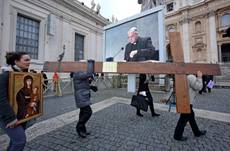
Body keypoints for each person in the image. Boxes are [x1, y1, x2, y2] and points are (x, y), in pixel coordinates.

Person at [124, 27, 160, 117]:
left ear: (136, 34)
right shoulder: (128, 46)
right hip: (134, 74)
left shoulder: (145, 40)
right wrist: (129, 58)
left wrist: (137, 52)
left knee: (143, 92)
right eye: (129, 37)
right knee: (143, 92)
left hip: (145, 73)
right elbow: (126, 59)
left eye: (131, 36)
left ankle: (143, 111)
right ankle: (149, 112)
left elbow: (152, 51)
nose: (130, 39)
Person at [0, 51, 31, 151]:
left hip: (20, 114)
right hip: (8, 116)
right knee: (20, 141)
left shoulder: (24, 74)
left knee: (14, 140)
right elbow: (1, 99)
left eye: (29, 60)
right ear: (16, 61)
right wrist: (11, 118)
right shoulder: (5, 75)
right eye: (26, 60)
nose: (29, 62)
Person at [174, 71, 207, 141]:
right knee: (183, 119)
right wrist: (199, 77)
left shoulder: (185, 76)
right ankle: (177, 135)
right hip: (187, 102)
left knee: (191, 117)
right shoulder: (191, 76)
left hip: (185, 100)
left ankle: (197, 132)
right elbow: (199, 87)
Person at [70, 71, 98, 138]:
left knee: (82, 113)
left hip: (83, 96)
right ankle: (78, 127)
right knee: (88, 112)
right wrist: (92, 72)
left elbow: (83, 85)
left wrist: (91, 87)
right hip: (81, 97)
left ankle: (83, 130)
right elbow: (88, 74)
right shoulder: (77, 73)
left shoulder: (80, 74)